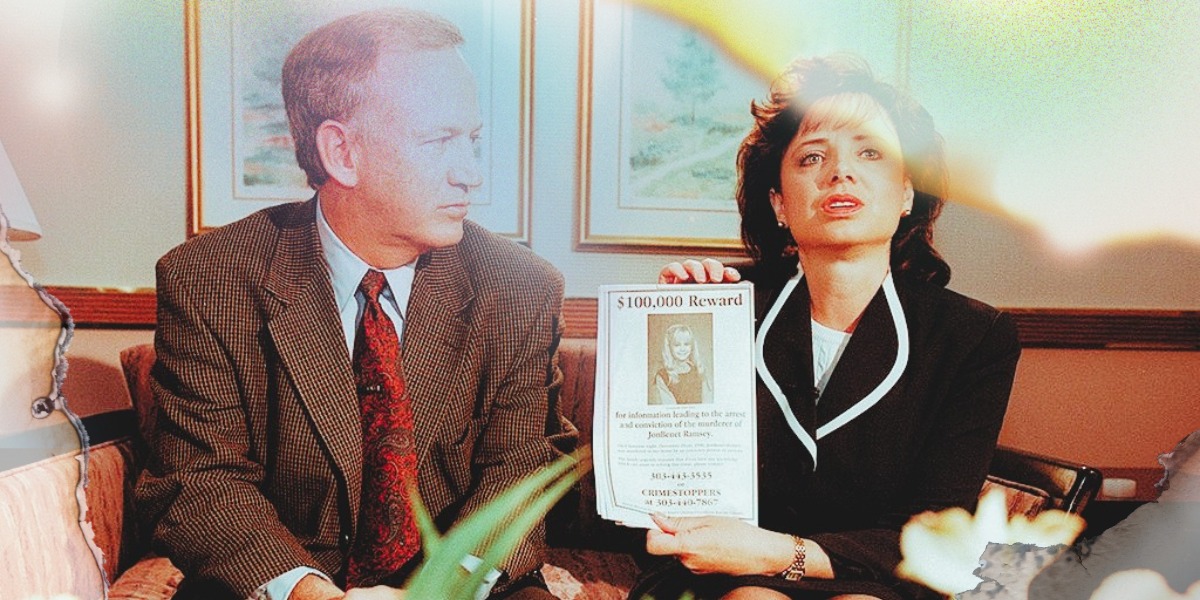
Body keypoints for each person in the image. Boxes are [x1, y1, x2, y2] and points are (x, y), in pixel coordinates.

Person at [135, 9, 574, 600]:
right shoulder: (207, 279)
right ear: (341, 152)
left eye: (471, 140)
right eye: (439, 140)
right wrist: (312, 594)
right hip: (282, 584)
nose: (471, 173)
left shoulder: (520, 287)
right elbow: (199, 482)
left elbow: (518, 474)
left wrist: (439, 592)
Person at [634, 55, 1022, 600]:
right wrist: (675, 321)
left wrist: (780, 553)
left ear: (908, 192)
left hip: (879, 577)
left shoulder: (974, 337)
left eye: (871, 153)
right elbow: (663, 479)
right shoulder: (720, 306)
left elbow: (933, 528)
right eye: (812, 157)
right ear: (779, 204)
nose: (840, 172)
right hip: (724, 570)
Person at [653, 324, 713, 405]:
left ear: (692, 346)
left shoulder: (699, 370)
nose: (682, 349)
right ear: (669, 347)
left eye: (686, 344)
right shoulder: (663, 376)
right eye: (677, 345)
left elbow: (707, 401)